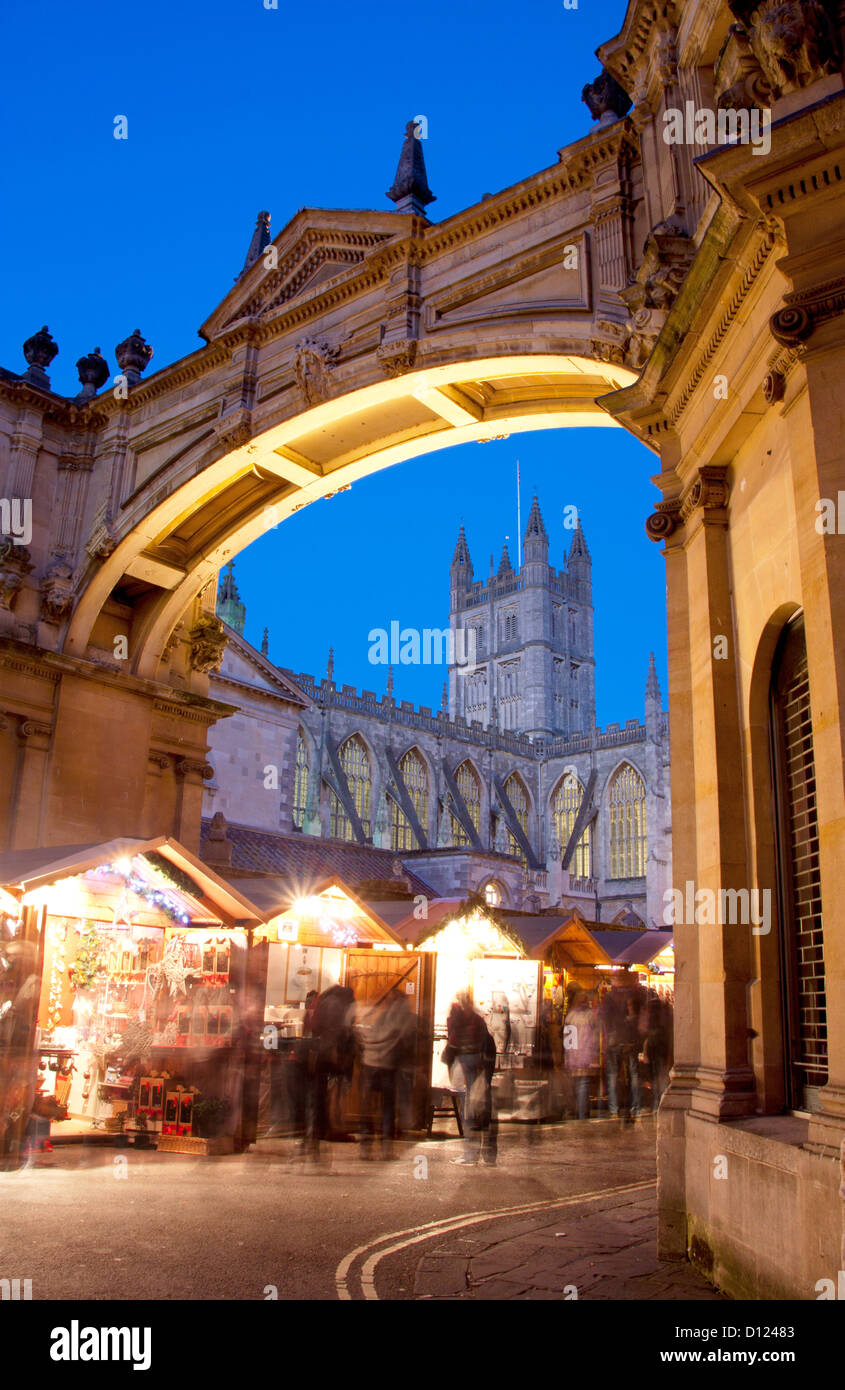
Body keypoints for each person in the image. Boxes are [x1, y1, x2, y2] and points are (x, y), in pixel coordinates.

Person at [354, 988, 416, 1159]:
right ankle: (386, 1148)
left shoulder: (379, 1014)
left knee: (368, 1107)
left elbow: (364, 1032)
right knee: (387, 1107)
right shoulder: (403, 1016)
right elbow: (406, 1040)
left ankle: (365, 1147)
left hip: (369, 1063)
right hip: (387, 1066)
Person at [444, 991, 489, 1166]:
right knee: (472, 1108)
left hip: (464, 1063)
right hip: (475, 1063)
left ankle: (469, 1155)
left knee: (468, 1110)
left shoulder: (459, 1018)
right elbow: (485, 1040)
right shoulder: (477, 1019)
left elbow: (453, 1040)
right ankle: (472, 1153)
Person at [564, 990, 599, 1119]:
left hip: (574, 1055)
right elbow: (595, 1036)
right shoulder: (591, 1016)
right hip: (587, 1054)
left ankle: (573, 1111)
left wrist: (567, 1056)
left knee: (575, 1085)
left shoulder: (571, 1016)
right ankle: (583, 1115)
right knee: (583, 1085)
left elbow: (568, 1040)